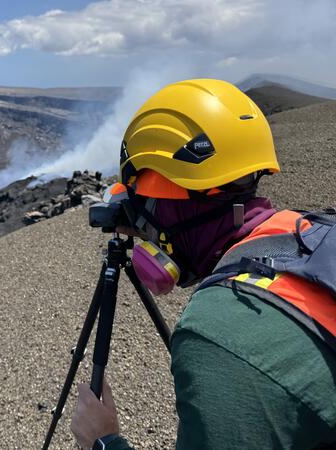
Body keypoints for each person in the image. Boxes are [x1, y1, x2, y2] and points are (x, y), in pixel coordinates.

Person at [70, 79, 336, 450]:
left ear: (171, 200)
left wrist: (104, 442)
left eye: (146, 201)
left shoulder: (218, 335)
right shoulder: (311, 233)